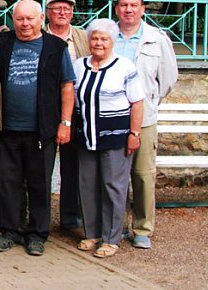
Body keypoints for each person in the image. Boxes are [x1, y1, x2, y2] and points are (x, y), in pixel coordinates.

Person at [0, 0, 75, 256]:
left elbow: (66, 86)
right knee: (7, 182)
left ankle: (37, 234)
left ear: (41, 19)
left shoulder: (56, 47)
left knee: (39, 183)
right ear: (13, 20)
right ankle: (9, 231)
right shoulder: (3, 44)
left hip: (43, 131)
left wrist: (65, 122)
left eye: (30, 19)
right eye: (19, 19)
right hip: (8, 128)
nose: (25, 24)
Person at [73, 19, 145, 259]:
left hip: (115, 138)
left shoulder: (124, 67)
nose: (98, 43)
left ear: (112, 41)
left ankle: (112, 238)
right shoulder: (79, 65)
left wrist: (134, 134)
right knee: (87, 185)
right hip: (87, 137)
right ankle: (91, 233)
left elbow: (137, 102)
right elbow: (71, 97)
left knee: (113, 186)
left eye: (104, 39)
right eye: (94, 38)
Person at [114, 0, 178, 250]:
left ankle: (142, 228)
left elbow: (168, 79)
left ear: (142, 9)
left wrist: (148, 101)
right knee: (114, 176)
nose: (128, 10)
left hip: (145, 119)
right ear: (116, 9)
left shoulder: (156, 39)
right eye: (123, 5)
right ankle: (114, 228)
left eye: (134, 5)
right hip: (113, 117)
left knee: (142, 175)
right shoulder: (108, 35)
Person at [45, 0, 90, 232]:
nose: (62, 13)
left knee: (72, 165)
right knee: (41, 164)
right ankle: (38, 217)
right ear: (48, 12)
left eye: (67, 9)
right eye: (57, 9)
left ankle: (70, 217)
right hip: (46, 108)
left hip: (76, 108)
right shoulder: (39, 34)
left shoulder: (82, 37)